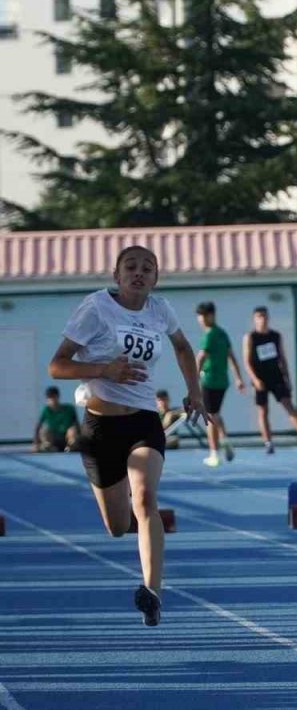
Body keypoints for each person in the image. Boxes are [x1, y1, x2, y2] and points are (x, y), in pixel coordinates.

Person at [48, 245, 208, 626]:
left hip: (143, 421)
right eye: (131, 267)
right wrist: (105, 369)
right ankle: (137, 535)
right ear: (116, 276)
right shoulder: (96, 308)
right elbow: (56, 365)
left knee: (146, 499)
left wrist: (194, 392)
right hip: (101, 428)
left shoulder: (160, 310)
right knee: (118, 526)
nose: (139, 273)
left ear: (156, 278)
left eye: (148, 268)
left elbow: (183, 347)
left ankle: (152, 592)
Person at [243, 306, 297, 453]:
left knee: (288, 404)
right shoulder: (250, 338)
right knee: (263, 410)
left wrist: (287, 377)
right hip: (260, 377)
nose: (262, 320)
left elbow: (282, 358)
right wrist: (255, 379)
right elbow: (247, 361)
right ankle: (268, 441)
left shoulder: (275, 336)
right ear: (254, 319)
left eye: (264, 316)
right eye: (259, 317)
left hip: (276, 376)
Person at [195, 301, 245, 467]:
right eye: (199, 317)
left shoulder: (209, 335)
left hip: (210, 380)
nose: (200, 320)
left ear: (211, 315)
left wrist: (192, 377)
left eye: (203, 316)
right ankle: (225, 439)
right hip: (223, 381)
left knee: (210, 416)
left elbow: (201, 357)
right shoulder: (222, 333)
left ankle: (214, 453)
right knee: (215, 413)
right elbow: (232, 357)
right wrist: (238, 378)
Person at [32, 386, 80, 452]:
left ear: (57, 397)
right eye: (49, 398)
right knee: (44, 430)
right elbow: (38, 427)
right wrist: (36, 444)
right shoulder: (46, 410)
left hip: (66, 439)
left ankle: (71, 446)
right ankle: (48, 446)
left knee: (72, 430)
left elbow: (77, 425)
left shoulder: (69, 409)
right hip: (53, 439)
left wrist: (80, 441)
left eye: (53, 397)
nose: (52, 400)